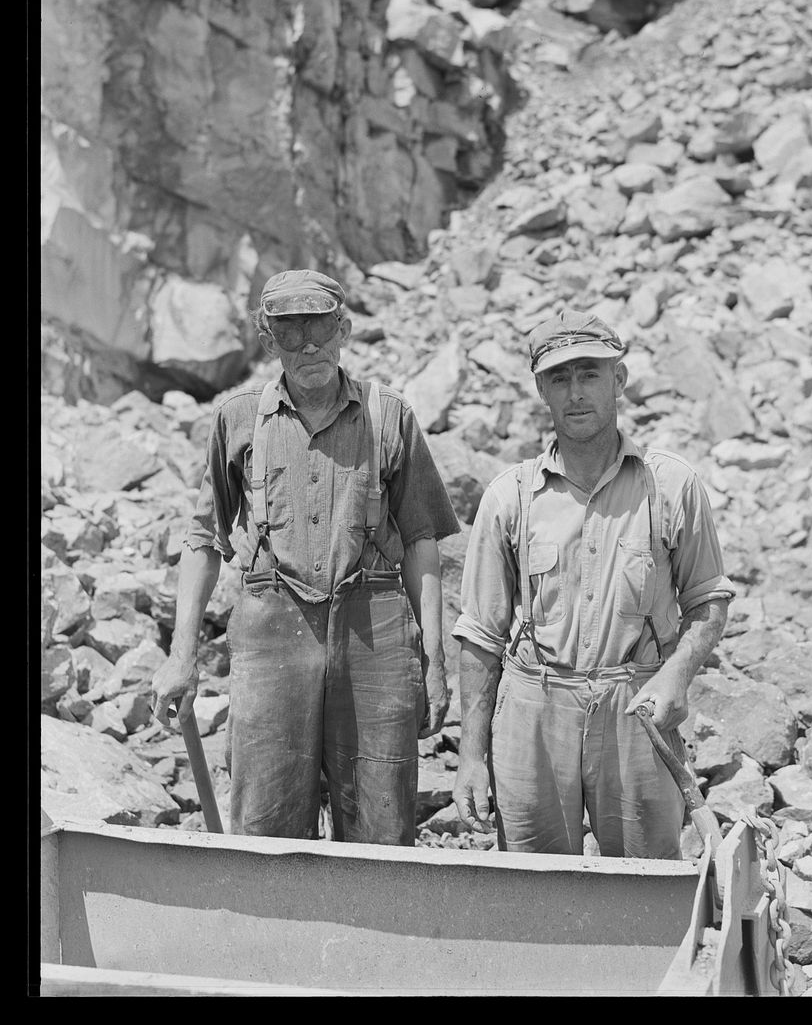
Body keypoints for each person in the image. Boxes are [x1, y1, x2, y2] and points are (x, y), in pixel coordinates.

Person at [151, 269, 460, 845]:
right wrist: (181, 654)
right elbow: (202, 539)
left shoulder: (390, 415)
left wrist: (435, 663)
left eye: (320, 327)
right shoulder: (239, 418)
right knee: (264, 818)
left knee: (381, 820)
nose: (309, 344)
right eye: (290, 332)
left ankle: (378, 934)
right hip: (273, 632)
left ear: (344, 329)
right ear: (268, 341)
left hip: (375, 634)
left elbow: (421, 541)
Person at [451, 309, 735, 858]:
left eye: (590, 374)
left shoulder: (671, 485)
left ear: (619, 382)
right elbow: (480, 637)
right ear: (541, 390)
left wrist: (677, 673)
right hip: (534, 706)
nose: (576, 393)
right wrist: (470, 757)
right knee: (533, 890)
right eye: (560, 378)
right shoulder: (510, 496)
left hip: (635, 704)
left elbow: (709, 602)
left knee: (645, 883)